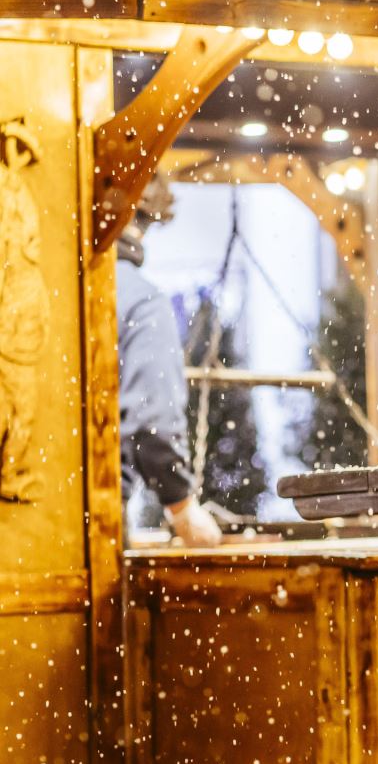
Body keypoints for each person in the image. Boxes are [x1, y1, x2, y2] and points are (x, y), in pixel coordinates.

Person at [116, 176, 222, 546]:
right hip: (85, 530)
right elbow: (152, 425)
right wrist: (182, 507)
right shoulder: (140, 303)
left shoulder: (33, 284)